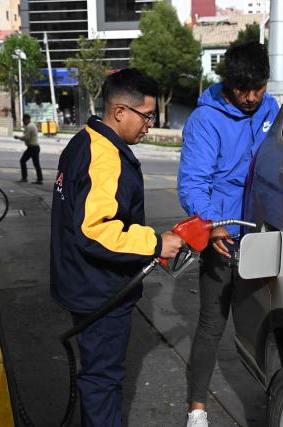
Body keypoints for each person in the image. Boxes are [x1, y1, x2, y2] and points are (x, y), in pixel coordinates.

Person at [50, 68, 183, 427]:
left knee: (97, 376)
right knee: (102, 382)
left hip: (81, 283)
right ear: (120, 111)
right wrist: (156, 243)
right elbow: (94, 230)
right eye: (146, 115)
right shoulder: (106, 156)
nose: (150, 125)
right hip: (100, 292)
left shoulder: (84, 140)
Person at [177, 41, 280, 427]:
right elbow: (192, 183)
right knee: (211, 324)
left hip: (264, 235)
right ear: (227, 84)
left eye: (258, 87)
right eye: (243, 90)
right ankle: (197, 409)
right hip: (223, 239)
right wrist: (211, 224)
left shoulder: (271, 109)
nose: (252, 97)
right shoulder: (206, 120)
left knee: (263, 323)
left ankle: (274, 396)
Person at [14, 113, 43, 184]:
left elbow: (26, 137)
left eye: (24, 120)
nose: (23, 122)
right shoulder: (31, 125)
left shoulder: (29, 127)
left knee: (23, 161)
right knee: (36, 163)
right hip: (34, 147)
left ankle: (25, 178)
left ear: (27, 119)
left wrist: (18, 137)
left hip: (32, 148)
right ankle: (39, 179)